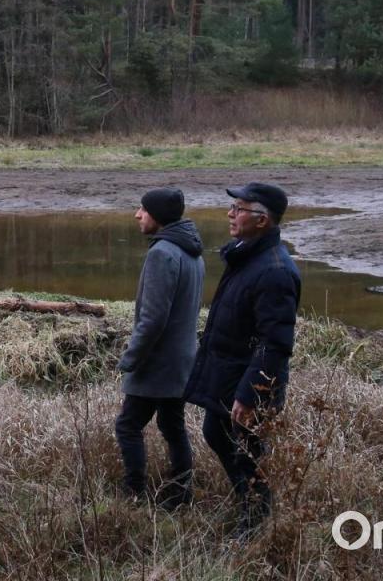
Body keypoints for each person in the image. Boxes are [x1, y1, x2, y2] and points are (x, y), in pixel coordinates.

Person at [184, 182, 301, 538]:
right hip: (229, 372)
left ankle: (256, 523)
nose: (230, 214)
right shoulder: (245, 256)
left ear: (262, 220)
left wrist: (251, 394)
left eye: (239, 209)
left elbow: (276, 343)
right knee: (216, 433)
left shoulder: (275, 271)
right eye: (232, 208)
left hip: (248, 383)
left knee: (247, 452)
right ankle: (249, 505)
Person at [115, 188, 205, 509]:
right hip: (183, 361)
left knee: (127, 426)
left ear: (157, 216)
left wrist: (130, 359)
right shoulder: (192, 251)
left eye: (142, 210)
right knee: (172, 426)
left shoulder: (162, 253)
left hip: (158, 364)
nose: (137, 215)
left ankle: (134, 494)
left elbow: (152, 320)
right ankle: (181, 496)